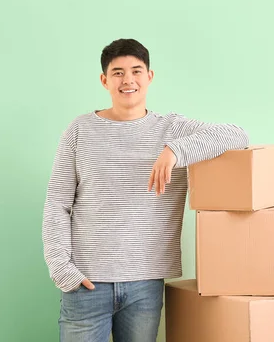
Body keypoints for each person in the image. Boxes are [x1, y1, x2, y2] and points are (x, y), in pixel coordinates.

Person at [42, 38, 249, 342]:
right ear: (104, 80)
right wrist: (61, 269)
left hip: (145, 284)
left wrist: (175, 151)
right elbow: (57, 203)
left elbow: (237, 134)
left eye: (137, 71)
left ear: (149, 77)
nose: (128, 80)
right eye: (118, 73)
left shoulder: (172, 128)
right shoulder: (79, 130)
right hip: (86, 282)